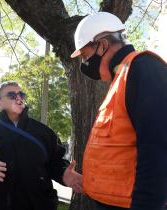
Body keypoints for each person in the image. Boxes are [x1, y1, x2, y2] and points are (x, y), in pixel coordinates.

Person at [70, 12, 167, 210]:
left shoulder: (143, 67)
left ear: (103, 45)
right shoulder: (121, 77)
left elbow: (157, 146)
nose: (85, 64)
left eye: (86, 56)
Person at [0, 81, 82, 210]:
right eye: (11, 95)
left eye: (21, 94)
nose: (18, 97)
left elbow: (55, 162)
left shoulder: (43, 132)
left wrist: (64, 173)